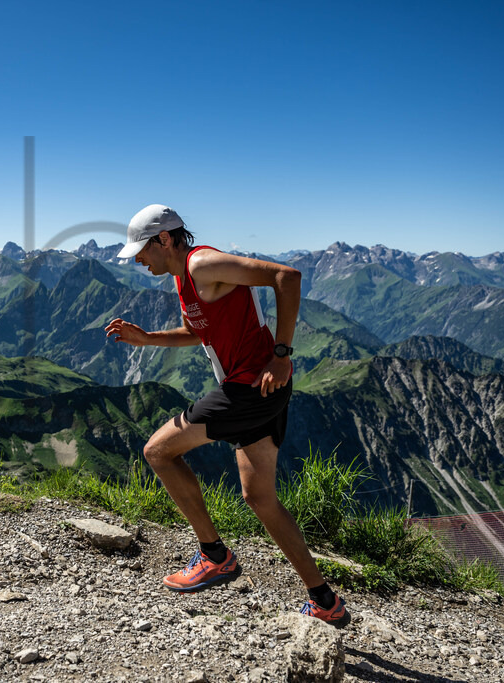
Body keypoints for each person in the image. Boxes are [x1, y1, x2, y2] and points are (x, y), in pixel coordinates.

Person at [104, 204, 352, 628]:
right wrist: (147, 339)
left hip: (250, 387)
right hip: (260, 391)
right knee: (260, 498)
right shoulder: (184, 278)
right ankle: (324, 600)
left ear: (164, 239)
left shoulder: (201, 264)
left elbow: (287, 277)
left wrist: (281, 354)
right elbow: (197, 333)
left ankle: (214, 556)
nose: (139, 260)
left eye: (141, 250)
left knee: (158, 452)